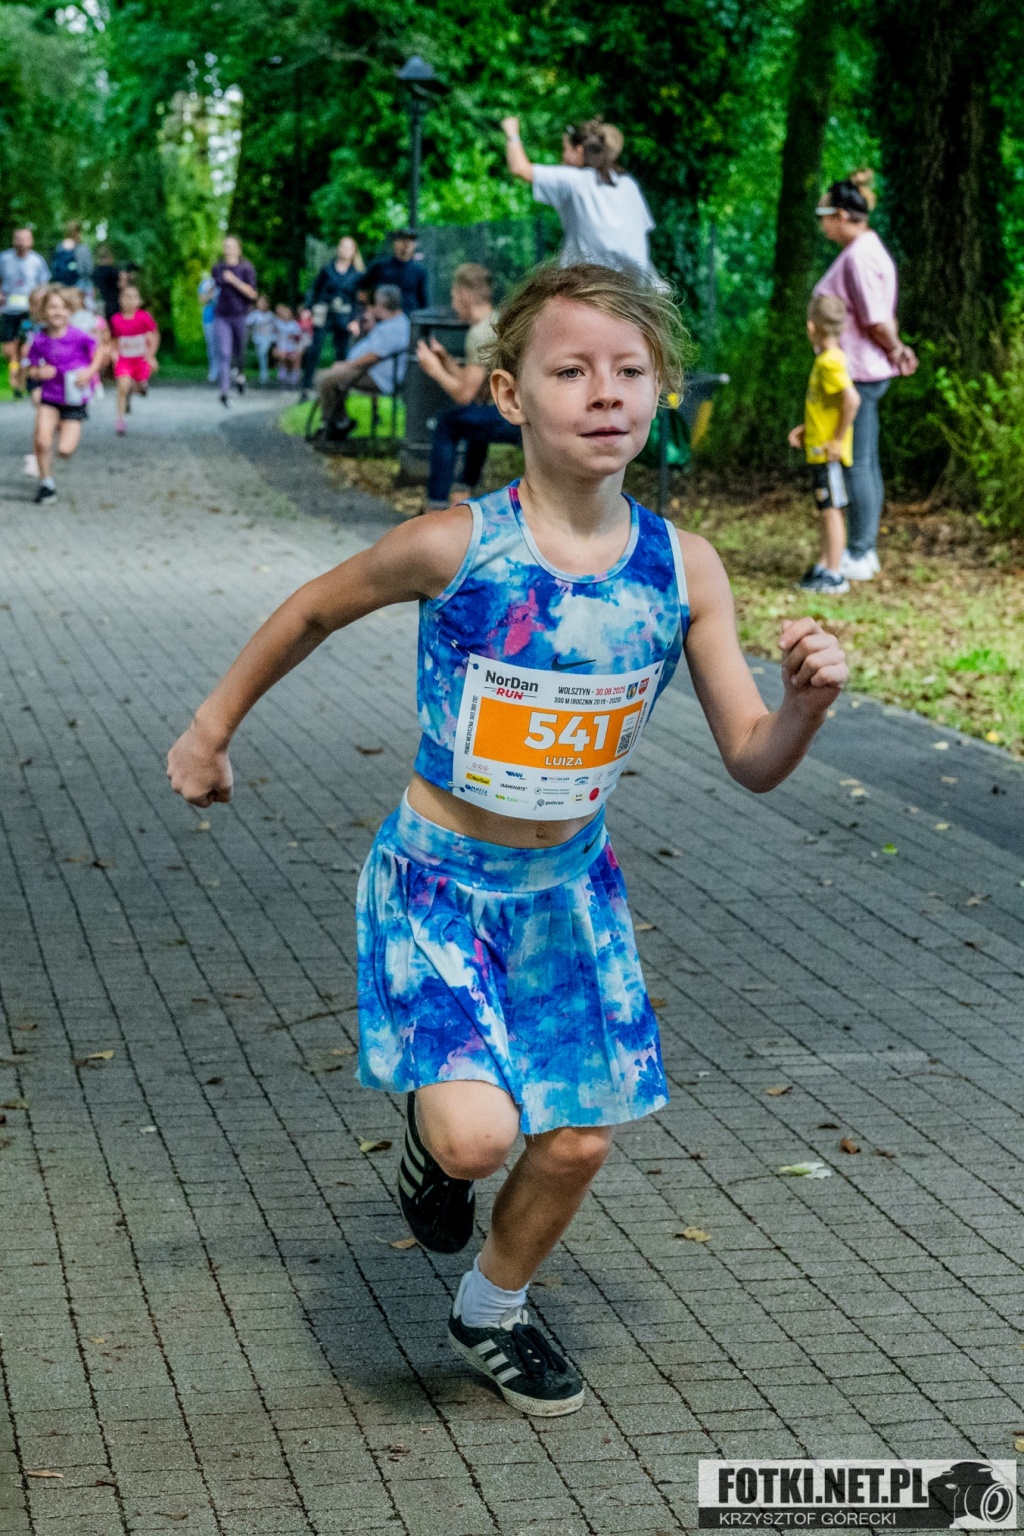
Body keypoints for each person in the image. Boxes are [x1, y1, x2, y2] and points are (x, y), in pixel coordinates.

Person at [167, 261, 848, 1417]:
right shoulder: (456, 545)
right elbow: (317, 606)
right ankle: (436, 1147)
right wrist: (209, 729)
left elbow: (751, 756)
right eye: (570, 370)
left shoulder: (682, 571)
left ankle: (491, 1308)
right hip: (436, 886)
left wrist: (805, 707)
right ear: (508, 393)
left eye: (630, 371)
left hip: (569, 895)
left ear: (662, 393)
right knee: (479, 1138)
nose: (605, 392)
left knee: (576, 1144)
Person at [812, 170, 917, 583]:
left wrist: (897, 349)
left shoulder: (859, 256)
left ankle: (859, 551)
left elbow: (875, 319)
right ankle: (862, 548)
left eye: (823, 215)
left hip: (858, 373)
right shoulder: (865, 250)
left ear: (841, 215)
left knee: (857, 463)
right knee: (864, 461)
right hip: (858, 369)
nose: (821, 225)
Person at [417, 263, 522, 510]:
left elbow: (464, 395)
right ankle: (463, 491)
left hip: (513, 418)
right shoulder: (495, 322)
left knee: (448, 423)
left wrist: (434, 369)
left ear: (464, 294)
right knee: (473, 418)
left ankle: (436, 505)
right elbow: (471, 381)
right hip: (519, 411)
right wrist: (446, 360)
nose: (453, 304)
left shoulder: (479, 333)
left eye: (454, 296)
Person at [501, 116, 655, 275]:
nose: (562, 157)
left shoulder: (575, 180)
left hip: (593, 283)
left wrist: (512, 133)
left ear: (579, 151)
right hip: (638, 282)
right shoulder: (628, 184)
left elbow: (519, 168)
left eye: (565, 149)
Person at [787, 294, 860, 595]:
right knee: (824, 508)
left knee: (831, 510)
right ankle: (825, 563)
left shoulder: (830, 361)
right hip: (819, 451)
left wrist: (836, 440)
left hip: (829, 456)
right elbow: (829, 407)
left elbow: (851, 400)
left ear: (811, 327)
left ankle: (834, 573)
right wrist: (809, 430)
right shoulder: (829, 359)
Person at [23, 285, 100, 503]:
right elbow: (29, 368)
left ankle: (60, 429)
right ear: (44, 311)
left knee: (65, 450)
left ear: (70, 311)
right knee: (42, 440)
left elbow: (100, 352)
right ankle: (46, 484)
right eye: (52, 307)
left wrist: (90, 372)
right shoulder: (39, 339)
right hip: (49, 397)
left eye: (63, 307)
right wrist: (38, 372)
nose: (58, 312)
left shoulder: (79, 336)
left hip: (74, 399)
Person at [315, 284, 410, 440]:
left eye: (376, 302)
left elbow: (373, 356)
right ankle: (339, 423)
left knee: (325, 379)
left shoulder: (395, 327)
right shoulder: (392, 322)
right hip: (370, 372)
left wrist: (346, 365)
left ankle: (335, 425)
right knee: (327, 378)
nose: (374, 306)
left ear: (382, 303)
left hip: (377, 377)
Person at [300, 235, 365, 398]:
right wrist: (308, 308)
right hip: (324, 314)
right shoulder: (327, 269)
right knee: (315, 349)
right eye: (342, 246)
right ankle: (306, 387)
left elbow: (359, 300)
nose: (344, 250)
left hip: (344, 316)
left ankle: (341, 388)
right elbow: (315, 290)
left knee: (342, 352)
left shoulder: (357, 274)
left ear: (354, 251)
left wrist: (356, 320)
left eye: (348, 247)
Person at [1, 229, 50, 397]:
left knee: (27, 348)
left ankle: (19, 382)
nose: (22, 242)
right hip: (8, 310)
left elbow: (44, 284)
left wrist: (38, 298)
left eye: (25, 239)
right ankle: (14, 373)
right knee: (9, 350)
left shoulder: (37, 261)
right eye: (18, 238)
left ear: (31, 241)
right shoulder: (4, 259)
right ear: (13, 240)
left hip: (29, 311)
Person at [211, 233, 257, 405]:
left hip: (240, 315)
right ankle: (224, 392)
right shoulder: (218, 268)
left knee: (240, 353)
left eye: (231, 247)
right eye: (226, 247)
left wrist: (233, 280)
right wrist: (207, 295)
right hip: (222, 315)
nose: (228, 250)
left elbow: (252, 294)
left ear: (238, 250)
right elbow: (214, 287)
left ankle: (240, 375)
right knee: (224, 353)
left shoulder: (246, 268)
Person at [109, 283, 160, 435]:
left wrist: (151, 356)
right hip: (124, 360)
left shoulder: (143, 317)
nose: (130, 301)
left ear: (139, 300)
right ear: (120, 300)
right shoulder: (116, 320)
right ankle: (120, 420)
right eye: (126, 297)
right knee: (122, 386)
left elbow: (154, 336)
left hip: (141, 359)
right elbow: (114, 340)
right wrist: (114, 354)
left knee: (139, 387)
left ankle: (136, 389)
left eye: (133, 297)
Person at [361, 229, 428, 316]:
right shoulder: (380, 266)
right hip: (383, 318)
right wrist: (369, 309)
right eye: (403, 241)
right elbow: (362, 288)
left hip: (409, 317)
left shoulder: (419, 270)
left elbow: (422, 300)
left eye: (410, 242)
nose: (406, 245)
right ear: (395, 243)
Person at [50, 222, 93, 290]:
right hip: (80, 286)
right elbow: (88, 270)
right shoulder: (83, 248)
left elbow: (54, 267)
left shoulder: (59, 247)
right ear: (79, 232)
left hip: (62, 286)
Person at [246, 294, 277, 386]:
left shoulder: (270, 315)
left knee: (262, 353)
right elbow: (247, 323)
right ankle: (263, 373)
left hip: (267, 337)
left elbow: (275, 327)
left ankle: (264, 375)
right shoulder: (254, 314)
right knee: (261, 355)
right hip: (257, 338)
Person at [272, 304, 304, 388]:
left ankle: (294, 376)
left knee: (296, 357)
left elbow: (298, 337)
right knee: (282, 355)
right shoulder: (278, 323)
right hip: (281, 348)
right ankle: (283, 373)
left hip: (292, 348)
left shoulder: (294, 324)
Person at [199, 274, 219, 383]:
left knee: (223, 345)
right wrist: (210, 293)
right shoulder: (205, 283)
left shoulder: (224, 282)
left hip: (222, 318)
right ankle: (213, 369)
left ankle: (224, 369)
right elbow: (202, 300)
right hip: (209, 318)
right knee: (211, 345)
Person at [93, 245, 121, 321]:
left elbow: (95, 289)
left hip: (101, 302)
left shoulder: (96, 271)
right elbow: (120, 284)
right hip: (114, 302)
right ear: (110, 257)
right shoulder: (113, 271)